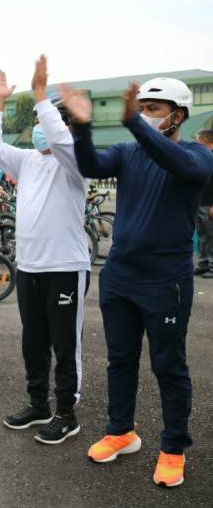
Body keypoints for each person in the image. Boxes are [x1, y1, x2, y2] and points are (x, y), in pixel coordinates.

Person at [62, 76, 213, 487]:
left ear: (177, 116)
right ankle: (121, 432)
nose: (144, 115)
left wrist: (132, 123)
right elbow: (90, 165)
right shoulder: (128, 152)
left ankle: (172, 447)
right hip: (120, 276)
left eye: (153, 109)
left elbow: (180, 165)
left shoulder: (198, 155)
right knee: (120, 359)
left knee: (169, 365)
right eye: (141, 108)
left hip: (166, 281)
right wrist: (82, 127)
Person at [0, 57, 91, 445]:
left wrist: (43, 96)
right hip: (28, 267)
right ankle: (38, 404)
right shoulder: (27, 160)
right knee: (33, 340)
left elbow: (61, 140)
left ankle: (67, 412)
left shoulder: (75, 160)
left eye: (43, 122)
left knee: (65, 344)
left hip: (66, 266)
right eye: (36, 121)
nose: (38, 130)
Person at [193, 129, 213, 278]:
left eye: (198, 141)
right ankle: (204, 263)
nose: (196, 143)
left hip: (209, 204)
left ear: (206, 141)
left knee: (211, 235)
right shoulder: (203, 158)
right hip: (199, 202)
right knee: (202, 235)